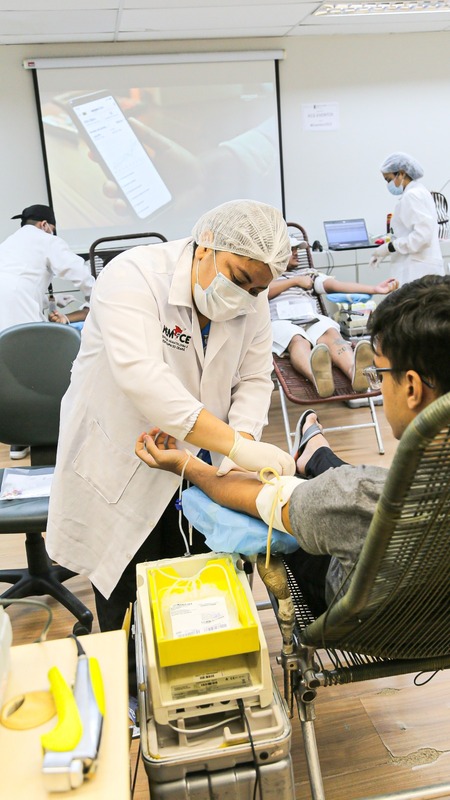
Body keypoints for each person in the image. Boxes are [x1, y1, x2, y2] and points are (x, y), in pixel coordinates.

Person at [45, 199, 296, 687]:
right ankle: (131, 699)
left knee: (208, 598)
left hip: (201, 466)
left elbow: (253, 378)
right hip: (124, 460)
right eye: (239, 279)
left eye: (258, 289)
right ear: (205, 247)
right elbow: (142, 376)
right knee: (128, 603)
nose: (246, 297)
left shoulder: (252, 301)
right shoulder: (134, 276)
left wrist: (243, 437)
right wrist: (237, 446)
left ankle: (208, 691)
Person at [135, 275, 450, 617]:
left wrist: (185, 464)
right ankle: (316, 451)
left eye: (380, 372)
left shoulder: (356, 497)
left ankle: (313, 450)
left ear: (412, 388)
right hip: (431, 625)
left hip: (359, 616)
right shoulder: (372, 491)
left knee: (304, 496)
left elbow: (250, 494)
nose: (379, 382)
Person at [0, 204, 94, 459]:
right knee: (36, 370)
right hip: (18, 306)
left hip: (9, 308)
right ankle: (45, 431)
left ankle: (19, 438)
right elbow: (79, 273)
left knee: (11, 373)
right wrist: (97, 297)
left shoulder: (9, 243)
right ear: (44, 225)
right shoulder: (45, 239)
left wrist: (52, 302)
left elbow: (22, 282)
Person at [270, 237, 398, 397]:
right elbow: (263, 293)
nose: (296, 253)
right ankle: (318, 378)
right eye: (291, 250)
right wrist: (295, 281)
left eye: (297, 249)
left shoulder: (308, 274)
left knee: (332, 334)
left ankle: (355, 372)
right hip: (282, 322)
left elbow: (336, 285)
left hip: (311, 319)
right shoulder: (267, 276)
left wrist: (374, 289)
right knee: (298, 340)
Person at [369, 152, 445, 286]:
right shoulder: (419, 192)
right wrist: (387, 247)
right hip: (420, 268)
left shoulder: (412, 196)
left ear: (401, 173)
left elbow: (422, 236)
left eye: (388, 179)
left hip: (417, 271)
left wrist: (390, 247)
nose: (388, 184)